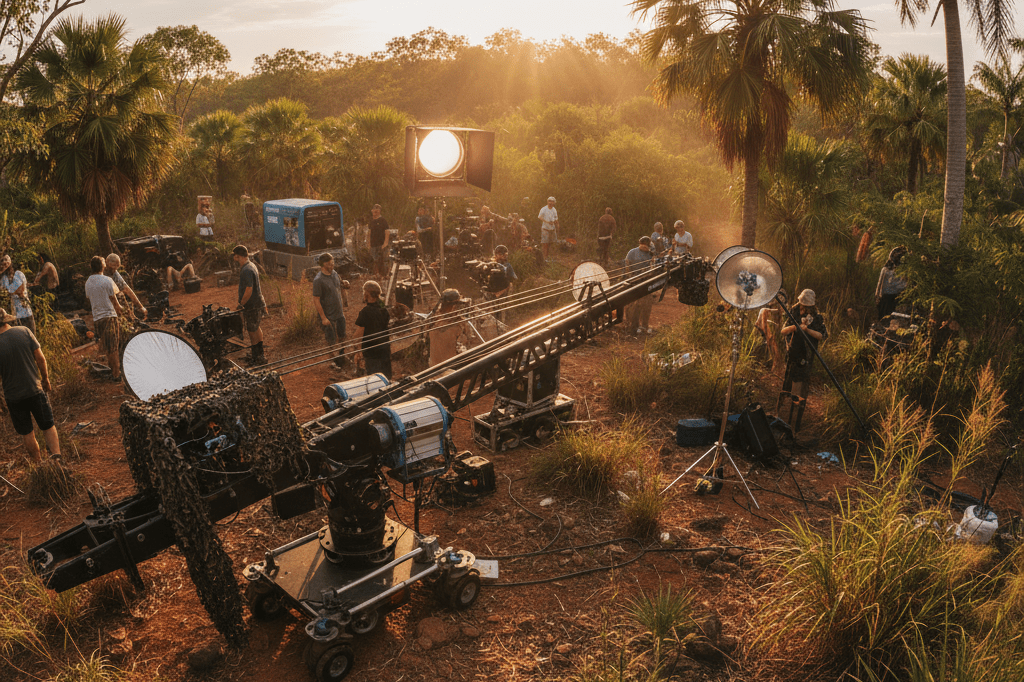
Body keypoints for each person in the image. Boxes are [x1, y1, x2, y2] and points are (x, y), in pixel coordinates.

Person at [0, 308, 61, 463]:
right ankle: (57, 460)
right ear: (6, 319)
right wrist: (45, 379)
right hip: (34, 389)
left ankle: (38, 464)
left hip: (13, 396)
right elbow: (40, 358)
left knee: (27, 432)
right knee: (48, 426)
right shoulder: (24, 331)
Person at [780, 288, 827, 431]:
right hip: (793, 353)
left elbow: (822, 336)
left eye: (806, 307)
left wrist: (807, 330)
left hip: (806, 356)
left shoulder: (817, 318)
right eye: (802, 306)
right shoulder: (793, 312)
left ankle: (795, 421)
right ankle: (783, 416)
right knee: (788, 383)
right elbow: (783, 331)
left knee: (800, 387)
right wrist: (795, 327)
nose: (803, 309)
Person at [84, 255, 122, 381]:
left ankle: (113, 372)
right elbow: (115, 301)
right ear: (102, 266)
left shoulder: (88, 282)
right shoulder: (107, 280)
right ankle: (116, 375)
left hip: (97, 319)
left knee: (107, 346)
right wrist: (121, 311)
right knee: (114, 347)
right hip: (109, 316)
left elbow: (90, 298)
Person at [312, 253, 347, 369]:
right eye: (329, 264)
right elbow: (316, 300)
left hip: (339, 312)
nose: (332, 265)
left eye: (333, 263)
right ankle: (332, 360)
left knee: (342, 335)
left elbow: (340, 285)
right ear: (323, 265)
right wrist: (323, 318)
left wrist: (344, 285)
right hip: (328, 315)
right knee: (330, 339)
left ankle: (342, 355)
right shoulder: (318, 280)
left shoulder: (335, 274)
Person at [233, 245, 267, 365]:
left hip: (252, 305)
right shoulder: (251, 265)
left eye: (234, 256)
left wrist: (241, 304)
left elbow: (249, 289)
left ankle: (256, 357)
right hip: (257, 303)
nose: (234, 258)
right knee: (256, 328)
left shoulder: (247, 270)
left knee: (252, 331)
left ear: (238, 256)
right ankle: (260, 355)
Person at [355, 280, 392, 379]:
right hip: (385, 349)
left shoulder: (365, 312)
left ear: (367, 294)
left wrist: (357, 351)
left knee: (374, 379)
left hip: (372, 352)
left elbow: (359, 334)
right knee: (386, 377)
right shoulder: (384, 309)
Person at [625, 237, 656, 335]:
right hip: (644, 282)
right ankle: (643, 326)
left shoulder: (631, 252)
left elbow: (627, 266)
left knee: (632, 304)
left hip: (632, 281)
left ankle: (631, 325)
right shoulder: (650, 254)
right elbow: (653, 269)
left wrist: (629, 277)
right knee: (645, 304)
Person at [428, 288, 467, 366]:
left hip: (432, 365)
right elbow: (466, 342)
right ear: (453, 306)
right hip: (450, 366)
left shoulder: (433, 319)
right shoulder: (460, 323)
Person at [1, 254, 35, 334]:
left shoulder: (18, 275)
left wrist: (7, 292)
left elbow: (19, 291)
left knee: (30, 334)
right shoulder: (4, 279)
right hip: (13, 314)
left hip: (24, 311)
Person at [875, 246, 908, 320]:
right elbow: (880, 285)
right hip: (887, 299)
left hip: (894, 299)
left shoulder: (888, 269)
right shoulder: (886, 269)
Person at [368, 204, 390, 277]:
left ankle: (384, 276)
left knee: (383, 261)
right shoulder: (371, 221)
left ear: (379, 212)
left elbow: (387, 232)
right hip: (373, 245)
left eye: (377, 211)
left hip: (381, 244)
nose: (375, 212)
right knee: (375, 261)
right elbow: (369, 233)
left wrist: (385, 243)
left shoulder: (383, 220)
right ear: (372, 211)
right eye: (374, 211)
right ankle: (377, 275)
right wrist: (368, 244)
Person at [538, 196, 559, 260]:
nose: (551, 203)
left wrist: (557, 224)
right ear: (547, 202)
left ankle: (552, 258)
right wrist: (547, 221)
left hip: (552, 229)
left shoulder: (554, 209)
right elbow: (539, 217)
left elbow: (556, 218)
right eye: (550, 201)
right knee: (545, 243)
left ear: (554, 203)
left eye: (552, 202)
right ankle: (545, 258)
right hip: (545, 228)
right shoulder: (544, 209)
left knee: (553, 243)